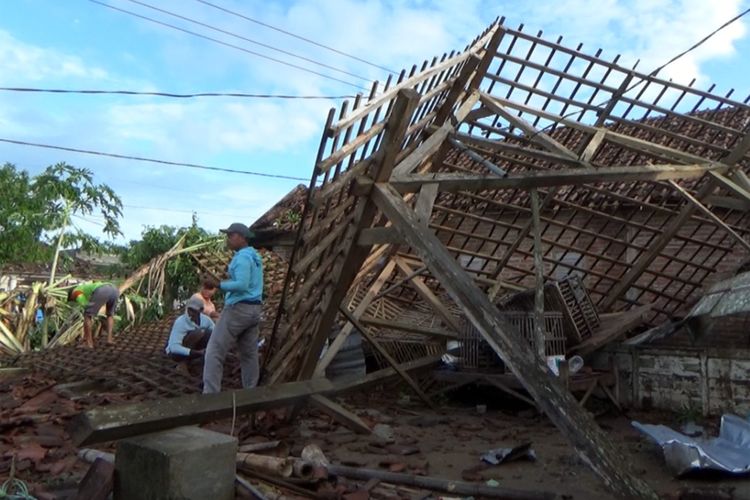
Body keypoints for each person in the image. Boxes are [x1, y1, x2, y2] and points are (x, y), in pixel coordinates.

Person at [203, 222, 263, 394]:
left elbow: (242, 285)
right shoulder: (254, 257)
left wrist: (218, 284)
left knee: (214, 350)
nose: (228, 239)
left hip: (239, 310)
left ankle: (210, 397)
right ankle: (250, 394)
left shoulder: (243, 257)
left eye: (230, 236)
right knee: (249, 354)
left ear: (241, 237)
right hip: (254, 311)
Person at [68, 281, 120, 348]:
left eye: (73, 299)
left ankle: (88, 343)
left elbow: (85, 304)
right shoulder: (83, 288)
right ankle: (109, 339)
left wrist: (89, 307)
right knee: (110, 315)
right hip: (114, 289)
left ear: (71, 295)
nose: (74, 300)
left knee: (87, 315)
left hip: (102, 290)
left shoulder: (76, 292)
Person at [166, 296, 214, 363]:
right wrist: (195, 352)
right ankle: (185, 361)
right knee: (199, 332)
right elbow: (173, 347)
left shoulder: (206, 320)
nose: (191, 313)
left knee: (208, 333)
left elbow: (215, 334)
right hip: (178, 353)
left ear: (201, 310)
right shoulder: (180, 322)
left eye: (194, 311)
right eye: (190, 310)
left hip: (196, 348)